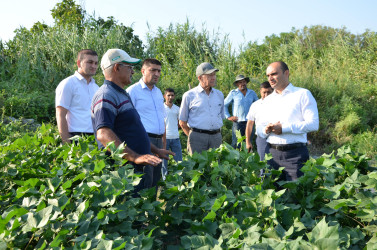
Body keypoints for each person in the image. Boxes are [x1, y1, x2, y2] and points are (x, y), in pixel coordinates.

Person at [91, 49, 173, 193]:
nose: (132, 72)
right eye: (129, 67)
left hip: (134, 167)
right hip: (123, 170)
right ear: (117, 68)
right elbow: (103, 134)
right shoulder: (106, 95)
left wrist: (155, 150)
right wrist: (135, 157)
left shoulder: (120, 94)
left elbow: (133, 131)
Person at [256, 61, 319, 181]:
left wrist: (284, 129)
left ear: (286, 73)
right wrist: (265, 129)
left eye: (274, 74)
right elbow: (259, 128)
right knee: (273, 196)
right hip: (272, 155)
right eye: (268, 75)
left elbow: (313, 124)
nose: (270, 78)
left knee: (296, 195)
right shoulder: (268, 100)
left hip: (295, 155)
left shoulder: (302, 94)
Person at [126, 58, 166, 189]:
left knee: (155, 180)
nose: (156, 74)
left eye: (159, 71)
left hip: (158, 141)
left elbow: (161, 118)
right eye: (152, 70)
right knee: (144, 180)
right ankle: (141, 209)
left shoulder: (159, 92)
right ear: (143, 71)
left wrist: (163, 143)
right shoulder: (133, 91)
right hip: (143, 140)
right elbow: (127, 120)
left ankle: (152, 209)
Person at [179, 62, 225, 155]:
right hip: (197, 138)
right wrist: (194, 137)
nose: (213, 78)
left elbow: (221, 116)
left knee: (216, 166)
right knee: (197, 167)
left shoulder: (219, 95)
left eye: (214, 75)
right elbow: (182, 122)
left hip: (216, 137)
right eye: (210, 75)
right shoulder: (189, 95)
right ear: (200, 78)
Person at [55, 49, 99, 144]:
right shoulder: (68, 84)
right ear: (79, 63)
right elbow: (60, 114)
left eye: (96, 63)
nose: (93, 66)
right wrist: (67, 143)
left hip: (94, 137)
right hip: (75, 137)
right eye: (90, 62)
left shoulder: (96, 87)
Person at [224, 74, 258, 148]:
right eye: (240, 82)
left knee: (248, 144)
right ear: (237, 84)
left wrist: (256, 117)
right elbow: (224, 105)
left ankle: (248, 159)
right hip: (237, 123)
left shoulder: (252, 93)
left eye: (244, 81)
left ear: (246, 82)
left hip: (250, 122)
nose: (242, 84)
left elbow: (258, 105)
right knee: (237, 144)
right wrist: (228, 117)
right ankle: (236, 160)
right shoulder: (233, 93)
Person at [245, 81, 273, 160]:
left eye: (269, 92)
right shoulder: (255, 105)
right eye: (264, 92)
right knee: (263, 162)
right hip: (262, 138)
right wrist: (248, 142)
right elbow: (250, 124)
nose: (266, 95)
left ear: (273, 91)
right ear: (260, 91)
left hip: (276, 137)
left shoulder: (278, 104)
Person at [163, 88, 183, 178]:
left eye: (172, 95)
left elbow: (180, 123)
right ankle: (164, 179)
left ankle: (179, 178)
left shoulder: (177, 109)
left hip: (175, 137)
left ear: (174, 96)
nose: (170, 97)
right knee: (164, 161)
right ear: (165, 96)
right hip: (164, 138)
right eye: (168, 95)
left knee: (178, 160)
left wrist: (174, 128)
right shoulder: (161, 108)